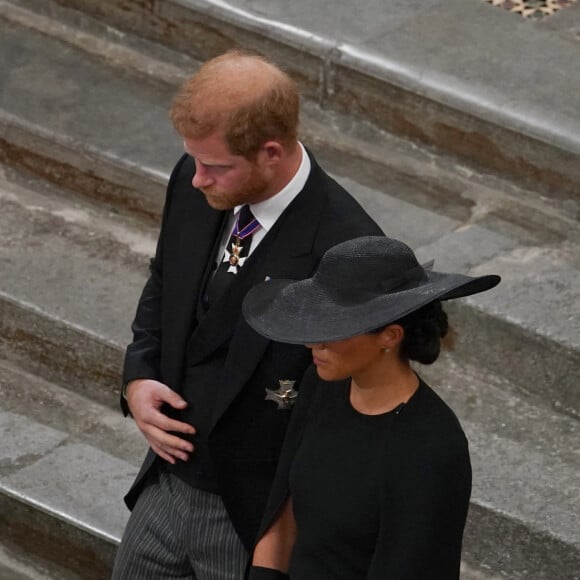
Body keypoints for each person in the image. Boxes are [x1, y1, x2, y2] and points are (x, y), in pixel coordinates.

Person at [111, 50, 383, 579]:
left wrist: (276, 550)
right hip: (163, 486)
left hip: (249, 519)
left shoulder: (346, 248)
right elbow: (165, 283)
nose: (197, 179)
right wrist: (138, 376)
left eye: (215, 167)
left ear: (271, 153)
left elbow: (336, 418)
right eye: (193, 160)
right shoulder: (194, 180)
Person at [242, 236, 501, 580]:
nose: (311, 343)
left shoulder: (432, 448)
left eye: (332, 329)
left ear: (390, 337)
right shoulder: (323, 383)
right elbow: (283, 512)